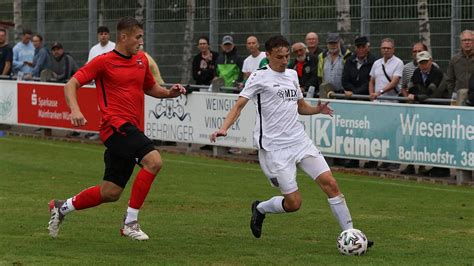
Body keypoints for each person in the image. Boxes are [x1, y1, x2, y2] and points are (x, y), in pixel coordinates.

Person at [210, 35, 373, 249]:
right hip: (274, 149)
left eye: (287, 56)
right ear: (268, 55)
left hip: (299, 141)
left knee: (331, 184)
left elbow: (300, 106)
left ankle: (350, 235)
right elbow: (239, 105)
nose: (284, 60)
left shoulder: (291, 74)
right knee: (294, 203)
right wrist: (224, 128)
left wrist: (317, 110)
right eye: (279, 57)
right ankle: (260, 208)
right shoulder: (259, 77)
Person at [47, 16, 186, 241]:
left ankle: (61, 207)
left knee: (110, 192)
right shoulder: (103, 61)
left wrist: (170, 93)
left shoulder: (141, 60)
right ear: (123, 37)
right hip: (115, 127)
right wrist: (75, 110)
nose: (141, 42)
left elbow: (151, 87)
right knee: (154, 161)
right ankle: (130, 222)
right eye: (138, 37)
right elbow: (71, 84)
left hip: (131, 129)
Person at [404, 51, 450, 177]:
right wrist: (417, 95)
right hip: (423, 110)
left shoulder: (438, 73)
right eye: (421, 63)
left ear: (431, 60)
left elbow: (432, 93)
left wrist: (417, 96)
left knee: (439, 139)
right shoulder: (416, 73)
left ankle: (441, 168)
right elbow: (411, 88)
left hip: (439, 111)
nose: (424, 65)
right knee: (420, 138)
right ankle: (415, 164)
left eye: (425, 62)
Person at [341, 36, 377, 168]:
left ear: (368, 47)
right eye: (358, 47)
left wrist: (355, 93)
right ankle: (353, 158)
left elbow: (370, 81)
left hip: (366, 100)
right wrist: (350, 91)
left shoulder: (374, 61)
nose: (361, 49)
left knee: (370, 131)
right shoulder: (349, 61)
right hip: (352, 101)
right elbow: (344, 79)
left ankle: (372, 159)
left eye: (363, 46)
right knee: (353, 131)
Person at [369, 38, 403, 171]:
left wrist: (380, 92)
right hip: (378, 104)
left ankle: (394, 161)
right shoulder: (377, 63)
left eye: (388, 48)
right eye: (384, 48)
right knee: (380, 134)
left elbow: (394, 82)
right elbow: (371, 80)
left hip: (391, 103)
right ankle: (385, 159)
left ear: (393, 49)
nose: (386, 50)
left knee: (392, 134)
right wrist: (372, 95)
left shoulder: (398, 63)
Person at [84, 26, 116, 140]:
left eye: (105, 33)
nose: (103, 36)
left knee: (110, 109)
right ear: (98, 36)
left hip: (111, 84)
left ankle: (111, 132)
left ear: (109, 35)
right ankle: (101, 132)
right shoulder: (94, 49)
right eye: (101, 34)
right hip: (97, 84)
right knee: (99, 109)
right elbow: (89, 66)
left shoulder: (114, 47)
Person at [446, 30, 474, 96]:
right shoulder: (454, 60)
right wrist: (452, 94)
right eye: (464, 40)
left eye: (469, 40)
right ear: (460, 43)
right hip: (459, 97)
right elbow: (449, 80)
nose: (467, 42)